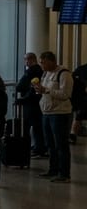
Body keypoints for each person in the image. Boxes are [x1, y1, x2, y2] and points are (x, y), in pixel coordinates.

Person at [35, 51, 72, 183]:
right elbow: (45, 90)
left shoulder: (64, 74)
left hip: (60, 114)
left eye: (43, 62)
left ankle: (64, 173)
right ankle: (53, 169)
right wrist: (40, 89)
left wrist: (47, 90)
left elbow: (65, 94)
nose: (41, 65)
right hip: (47, 112)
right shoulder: (46, 73)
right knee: (50, 144)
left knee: (61, 144)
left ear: (51, 61)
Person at [17, 52, 47, 157]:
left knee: (32, 126)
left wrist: (23, 97)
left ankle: (37, 148)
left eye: (26, 60)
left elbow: (20, 86)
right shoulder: (40, 71)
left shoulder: (30, 71)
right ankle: (40, 147)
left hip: (30, 103)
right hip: (38, 102)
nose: (25, 62)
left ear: (31, 60)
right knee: (38, 126)